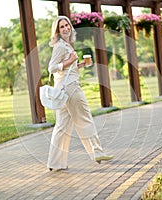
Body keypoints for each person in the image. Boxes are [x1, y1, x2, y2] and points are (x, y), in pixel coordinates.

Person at [47, 16, 113, 171]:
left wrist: (79, 65)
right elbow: (51, 68)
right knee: (85, 118)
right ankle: (97, 152)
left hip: (63, 89)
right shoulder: (60, 46)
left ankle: (55, 162)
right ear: (57, 31)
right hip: (71, 88)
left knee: (62, 127)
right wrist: (70, 61)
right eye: (61, 27)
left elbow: (66, 68)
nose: (65, 29)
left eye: (67, 25)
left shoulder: (66, 45)